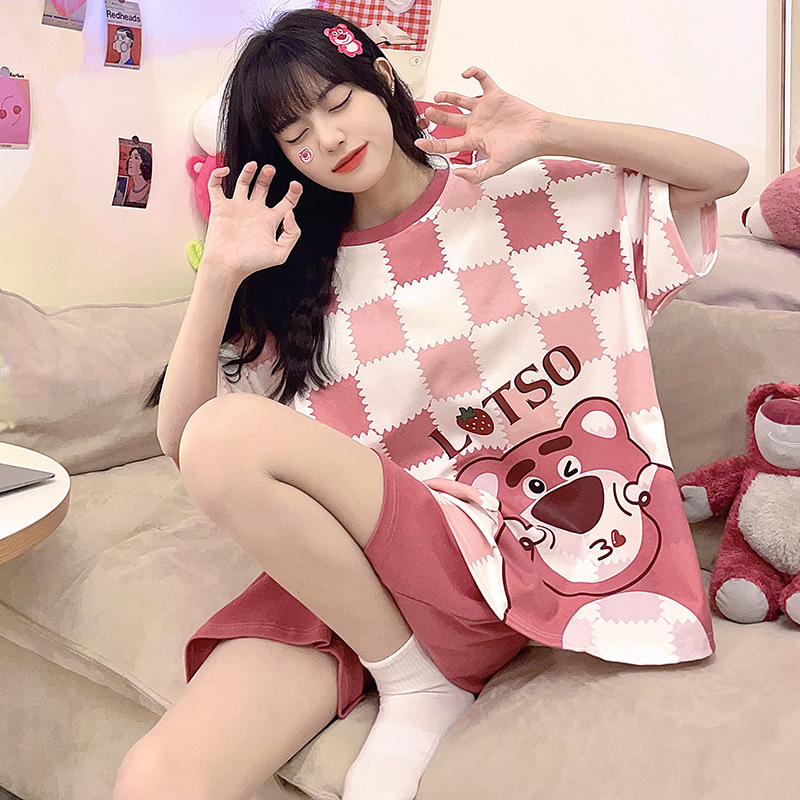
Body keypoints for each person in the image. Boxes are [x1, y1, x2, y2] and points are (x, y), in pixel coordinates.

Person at [114, 8, 748, 800]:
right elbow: (186, 443)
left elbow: (723, 173)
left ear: (382, 79)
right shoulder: (294, 270)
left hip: (490, 559)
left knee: (226, 435)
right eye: (295, 134)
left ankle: (419, 683)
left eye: (337, 102)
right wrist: (219, 275)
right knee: (156, 778)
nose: (328, 138)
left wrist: (550, 130)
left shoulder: (522, 193)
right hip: (350, 575)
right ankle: (411, 671)